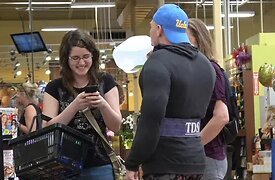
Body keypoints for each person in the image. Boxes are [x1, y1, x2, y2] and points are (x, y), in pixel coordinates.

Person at [125, 4, 216, 180]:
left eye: (151, 27)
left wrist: (133, 162)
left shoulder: (158, 63)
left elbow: (151, 120)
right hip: (196, 161)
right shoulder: (206, 65)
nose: (150, 31)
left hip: (164, 164)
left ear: (159, 30)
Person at [42, 29, 122, 180]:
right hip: (64, 166)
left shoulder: (106, 81)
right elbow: (47, 130)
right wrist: (74, 106)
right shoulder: (54, 87)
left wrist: (103, 105)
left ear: (93, 56)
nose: (81, 62)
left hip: (100, 164)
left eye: (86, 57)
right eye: (75, 58)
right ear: (66, 59)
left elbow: (116, 126)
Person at [187, 18, 229, 180]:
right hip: (200, 157)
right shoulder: (196, 70)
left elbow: (222, 116)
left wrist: (194, 146)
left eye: (185, 37)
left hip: (209, 156)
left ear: (197, 39)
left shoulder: (211, 69)